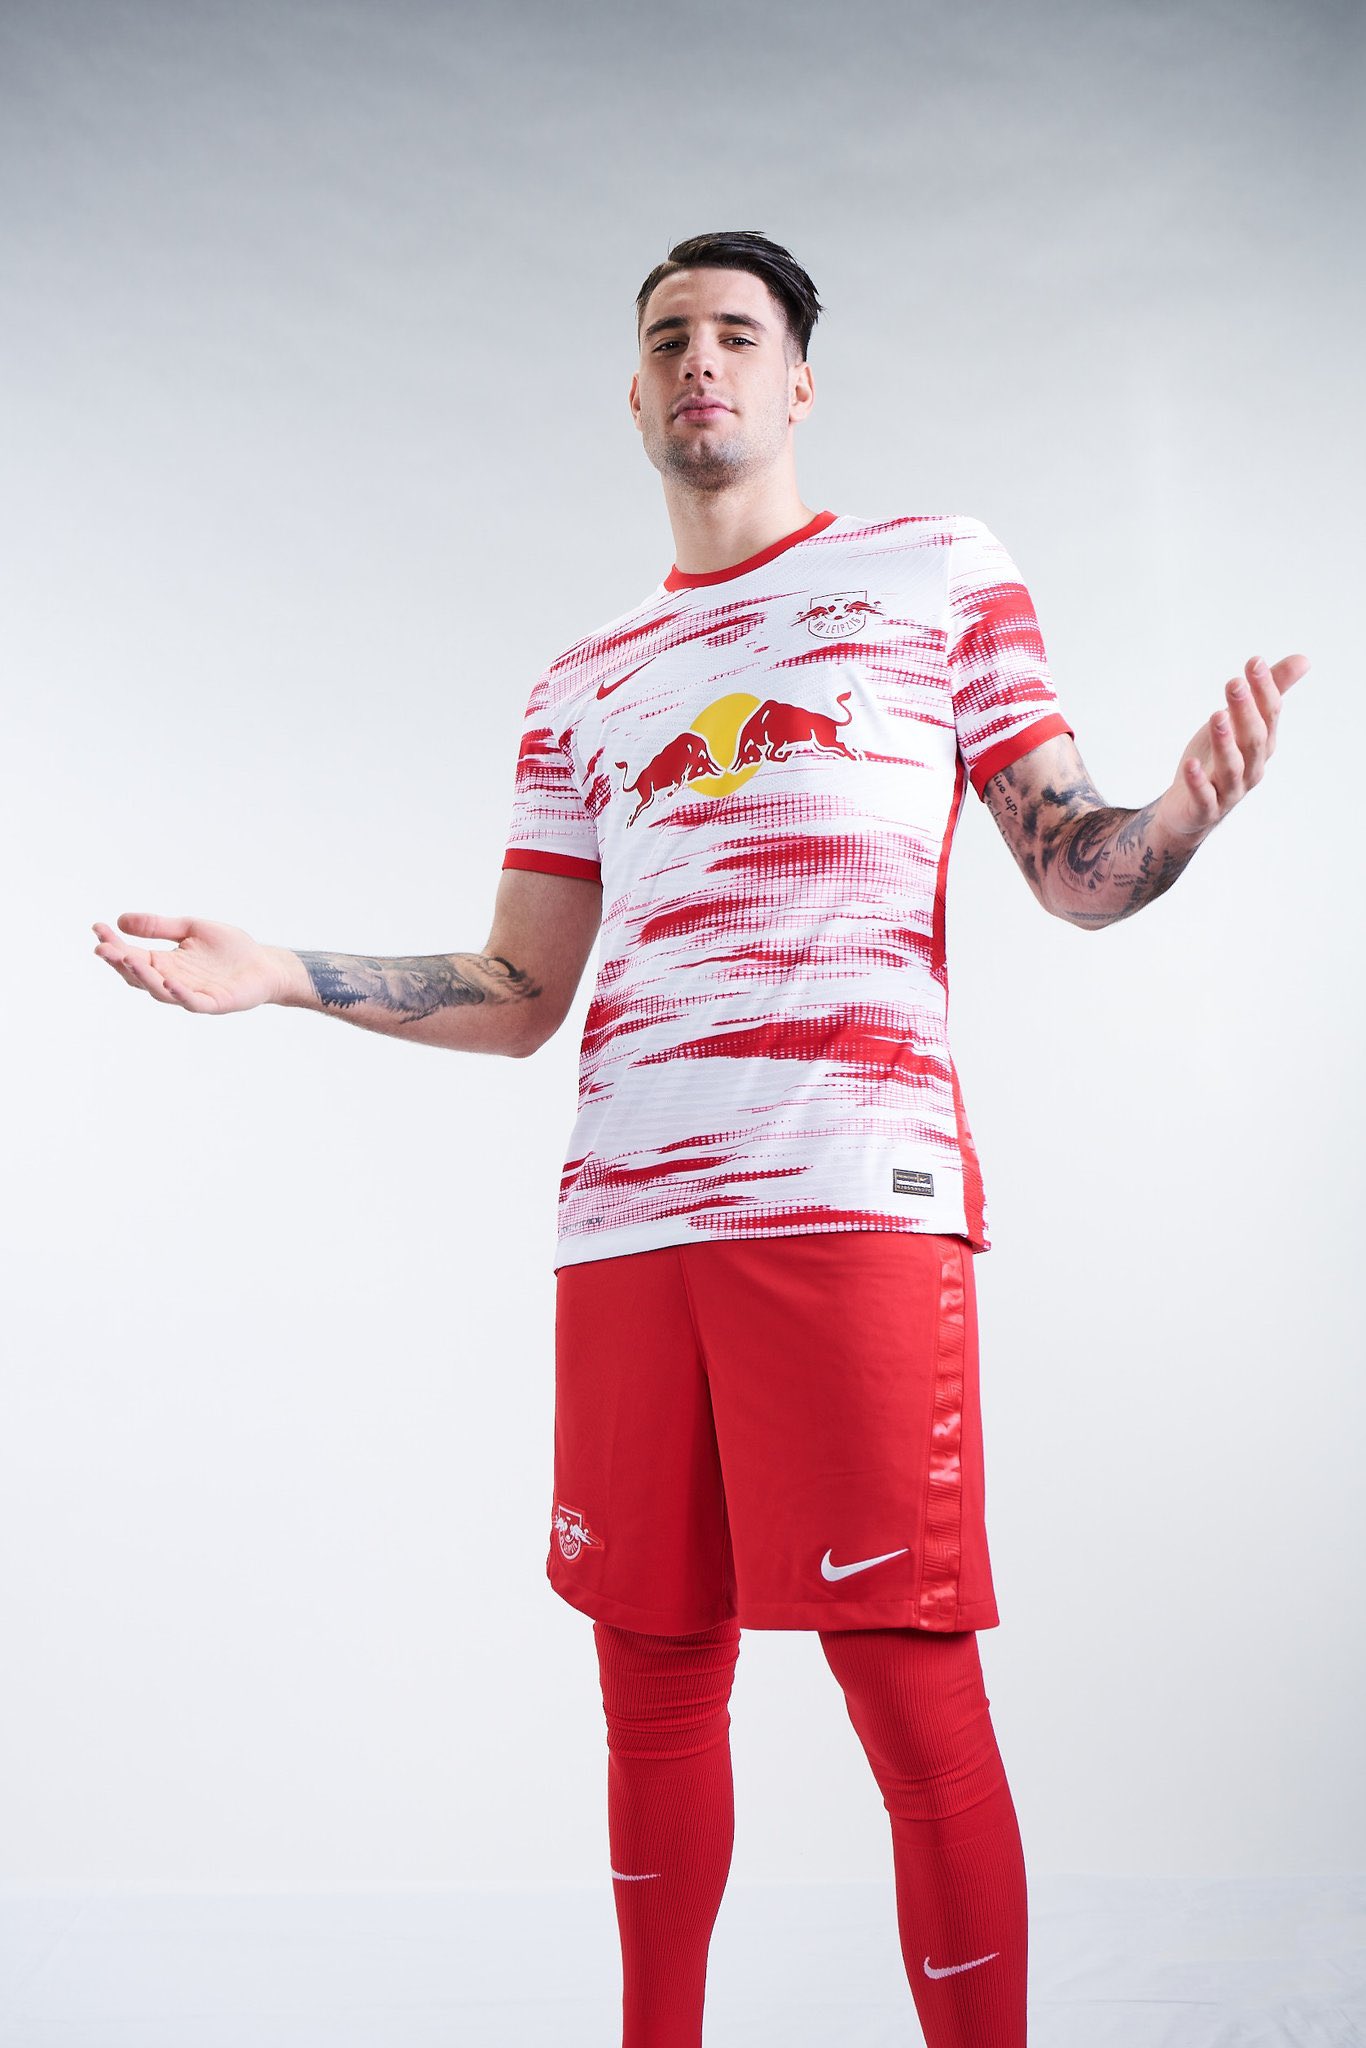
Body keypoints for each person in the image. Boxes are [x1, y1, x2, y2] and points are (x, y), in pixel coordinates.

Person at [93, 229, 1308, 2048]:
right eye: (667, 338)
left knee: (908, 1697)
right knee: (650, 1684)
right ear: (634, 391)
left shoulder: (931, 572)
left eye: (736, 333)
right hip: (625, 1228)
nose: (700, 362)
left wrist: (1176, 824)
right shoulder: (583, 679)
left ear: (798, 381)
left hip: (849, 1200)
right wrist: (281, 974)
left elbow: (1072, 868)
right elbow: (519, 986)